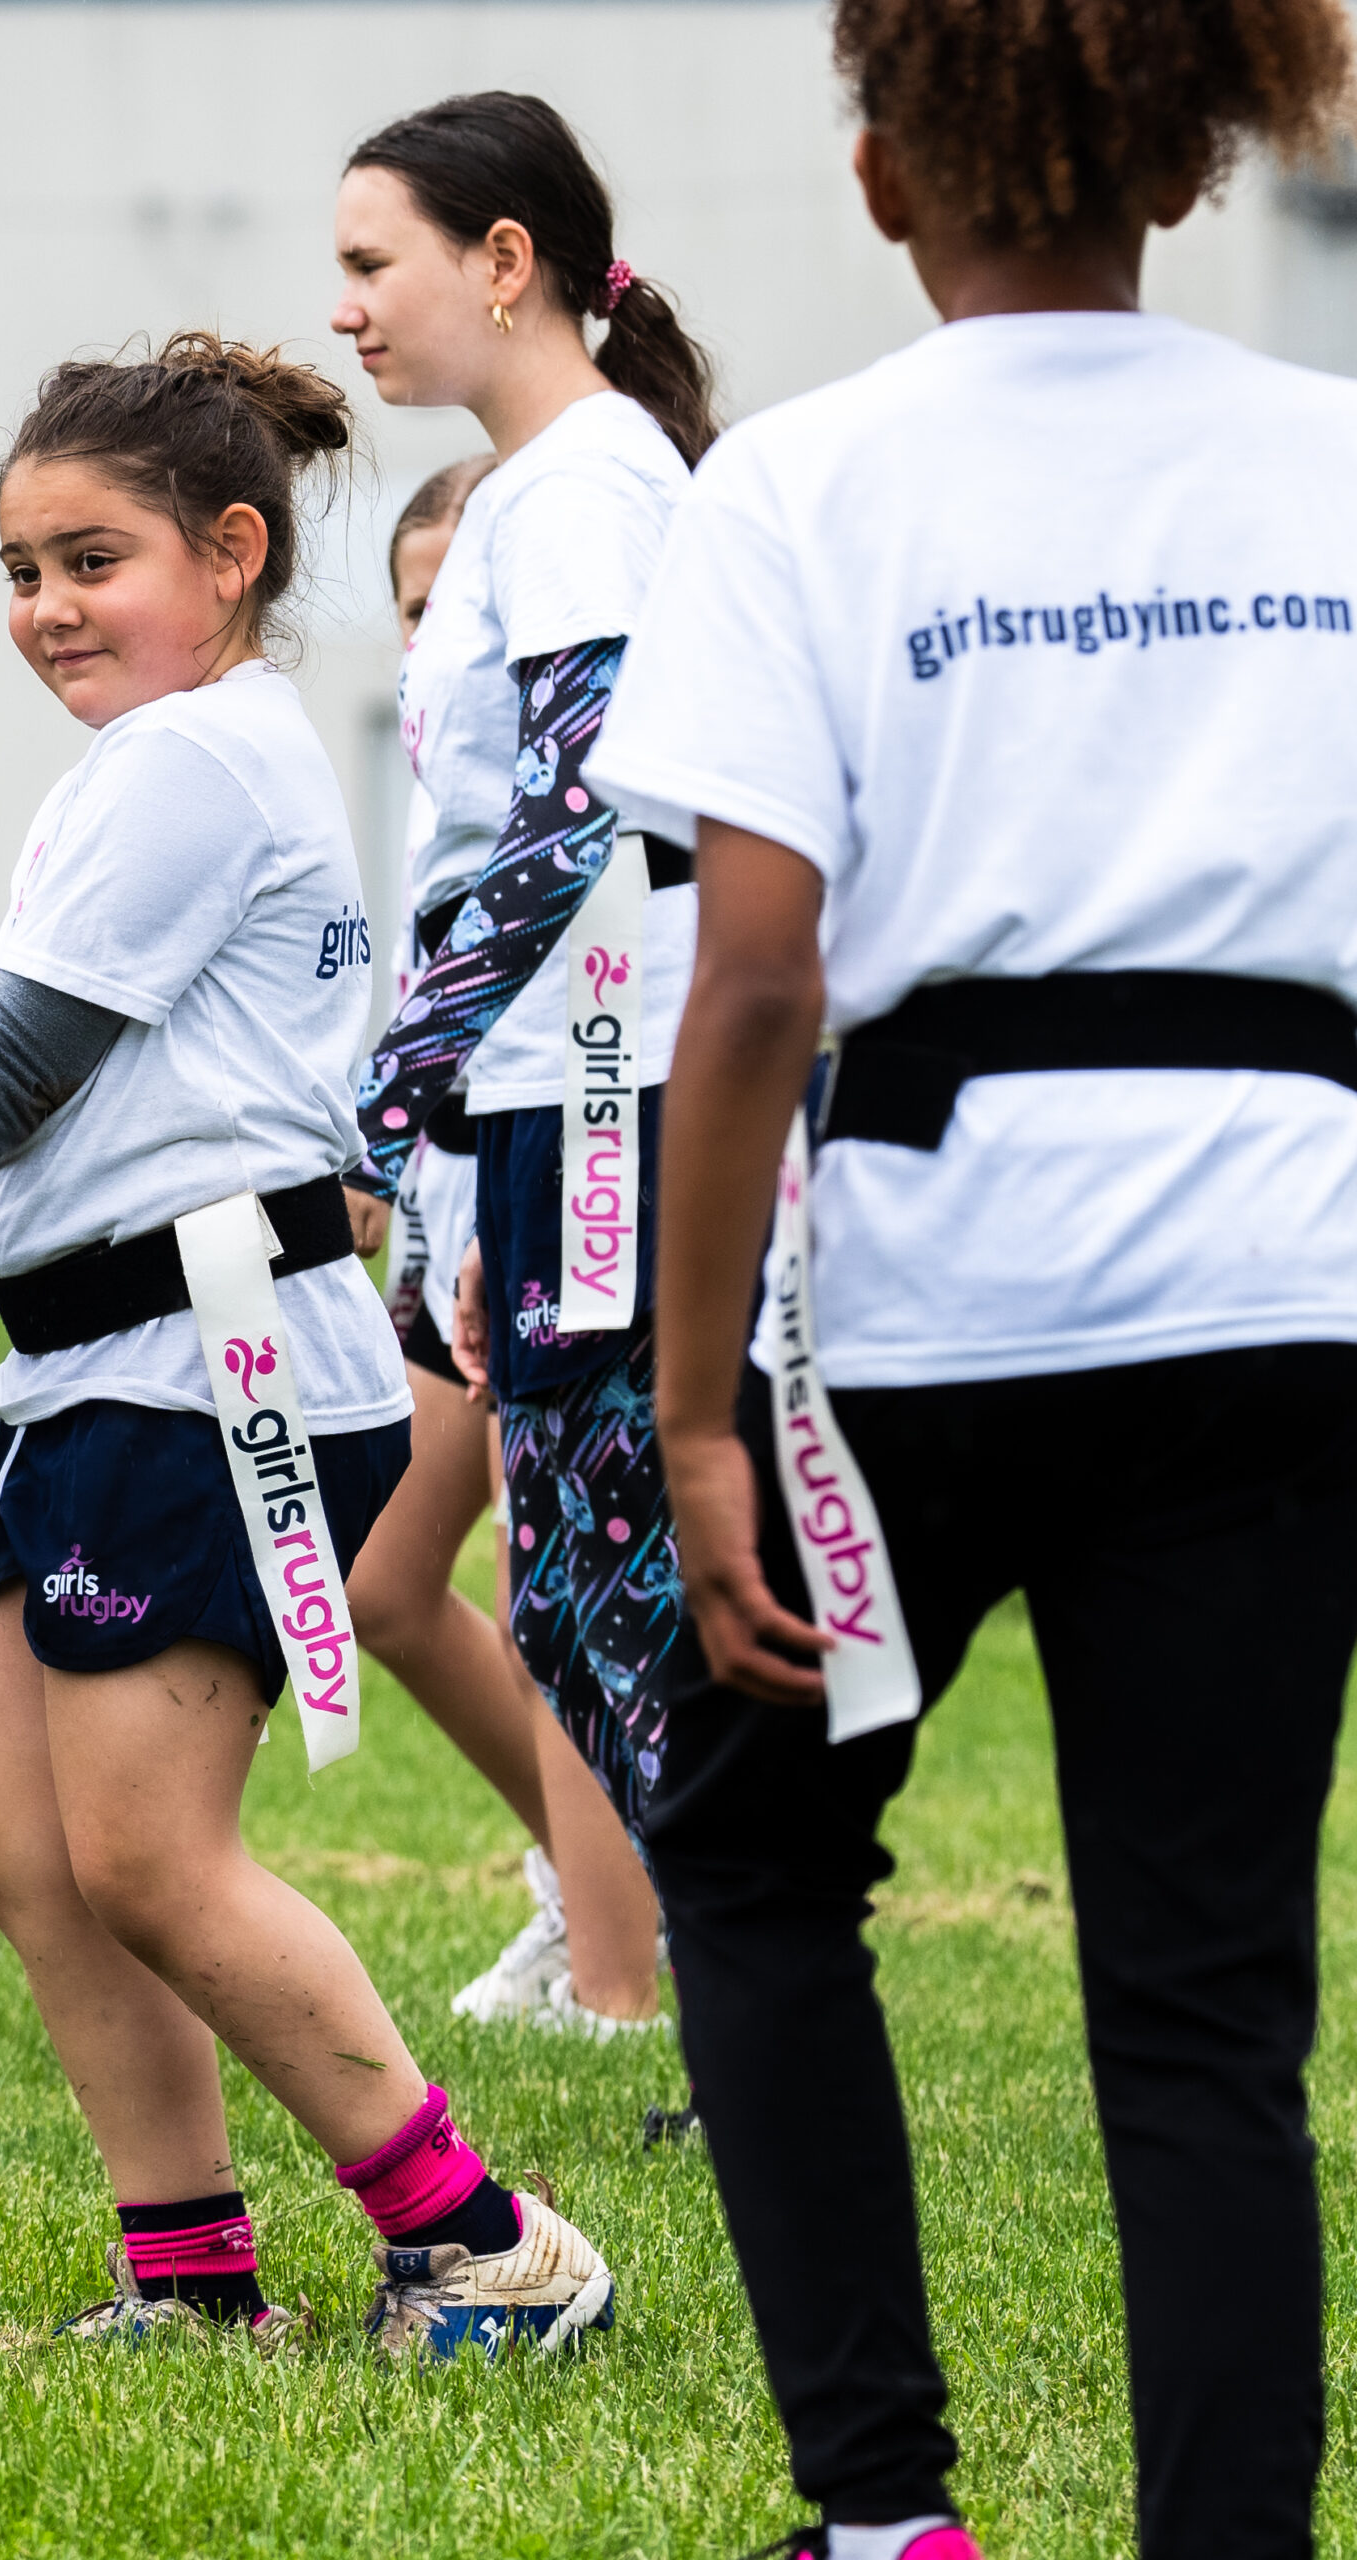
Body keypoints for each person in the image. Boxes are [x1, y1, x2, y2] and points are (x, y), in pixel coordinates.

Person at [0, 334, 616, 2360]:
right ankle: (191, 2276)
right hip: (99, 1360)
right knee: (27, 1850)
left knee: (150, 1850)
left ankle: (487, 2239)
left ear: (227, 555)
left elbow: (16, 1056)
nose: (48, 606)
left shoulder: (191, 761)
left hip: (204, 1363)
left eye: (94, 558)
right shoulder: (162, 759)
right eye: (20, 567)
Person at [585, 0, 1357, 2549]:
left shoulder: (799, 485)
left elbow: (754, 980)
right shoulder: (1330, 455)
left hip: (921, 1312)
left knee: (755, 1863)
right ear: (1190, 158)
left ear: (883, 177)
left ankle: (883, 2513)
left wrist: (695, 1415)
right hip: (1277, 1292)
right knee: (1203, 1996)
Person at [332, 92, 718, 2038]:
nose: (345, 311)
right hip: (544, 1110)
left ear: (502, 262)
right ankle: (657, 1977)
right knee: (567, 1585)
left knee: (605, 1592)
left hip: (600, 1102)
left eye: (368, 262)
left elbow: (585, 823)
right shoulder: (539, 485)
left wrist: (379, 1095)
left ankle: (683, 1992)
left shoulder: (573, 490)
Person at [343, 456, 672, 2038]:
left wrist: (392, 1112)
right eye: (411, 616)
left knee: (549, 1568)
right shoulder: (444, 775)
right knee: (382, 1577)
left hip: (567, 1145)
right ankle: (592, 1881)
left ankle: (618, 1985)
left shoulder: (579, 748)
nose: (428, 647)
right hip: (457, 1199)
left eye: (446, 614)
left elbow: (563, 948)